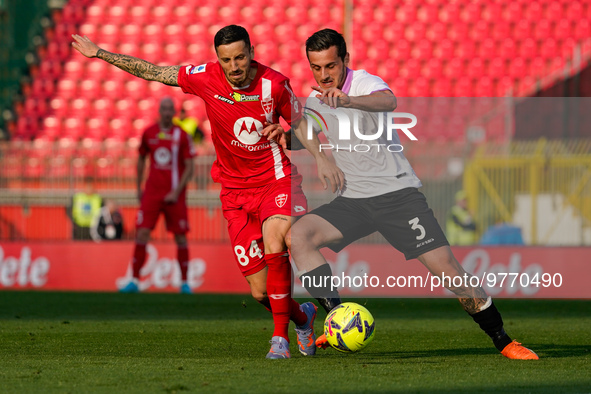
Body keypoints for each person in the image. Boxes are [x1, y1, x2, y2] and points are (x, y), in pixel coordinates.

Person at [72, 25, 342, 359]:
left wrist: (322, 159)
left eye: (240, 56)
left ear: (252, 51)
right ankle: (303, 319)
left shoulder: (275, 83)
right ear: (218, 59)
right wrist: (100, 53)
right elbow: (154, 72)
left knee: (277, 240)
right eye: (226, 59)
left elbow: (302, 124)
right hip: (233, 192)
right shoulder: (204, 77)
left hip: (275, 181)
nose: (234, 66)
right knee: (260, 293)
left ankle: (279, 340)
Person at [287, 29, 538, 360]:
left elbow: (389, 101)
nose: (323, 75)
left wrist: (348, 100)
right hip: (355, 200)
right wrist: (290, 137)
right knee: (298, 237)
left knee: (450, 271)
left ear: (345, 60)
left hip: (398, 196)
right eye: (316, 68)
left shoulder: (363, 83)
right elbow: (307, 133)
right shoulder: (317, 99)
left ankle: (503, 340)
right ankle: (337, 320)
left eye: (330, 66)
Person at [119, 97, 196, 294]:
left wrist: (176, 191)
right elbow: (141, 158)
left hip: (174, 195)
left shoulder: (182, 135)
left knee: (180, 236)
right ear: (159, 111)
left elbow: (189, 166)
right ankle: (134, 280)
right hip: (152, 193)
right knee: (142, 232)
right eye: (165, 109)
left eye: (171, 109)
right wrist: (138, 188)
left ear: (175, 112)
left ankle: (185, 283)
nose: (168, 112)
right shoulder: (149, 132)